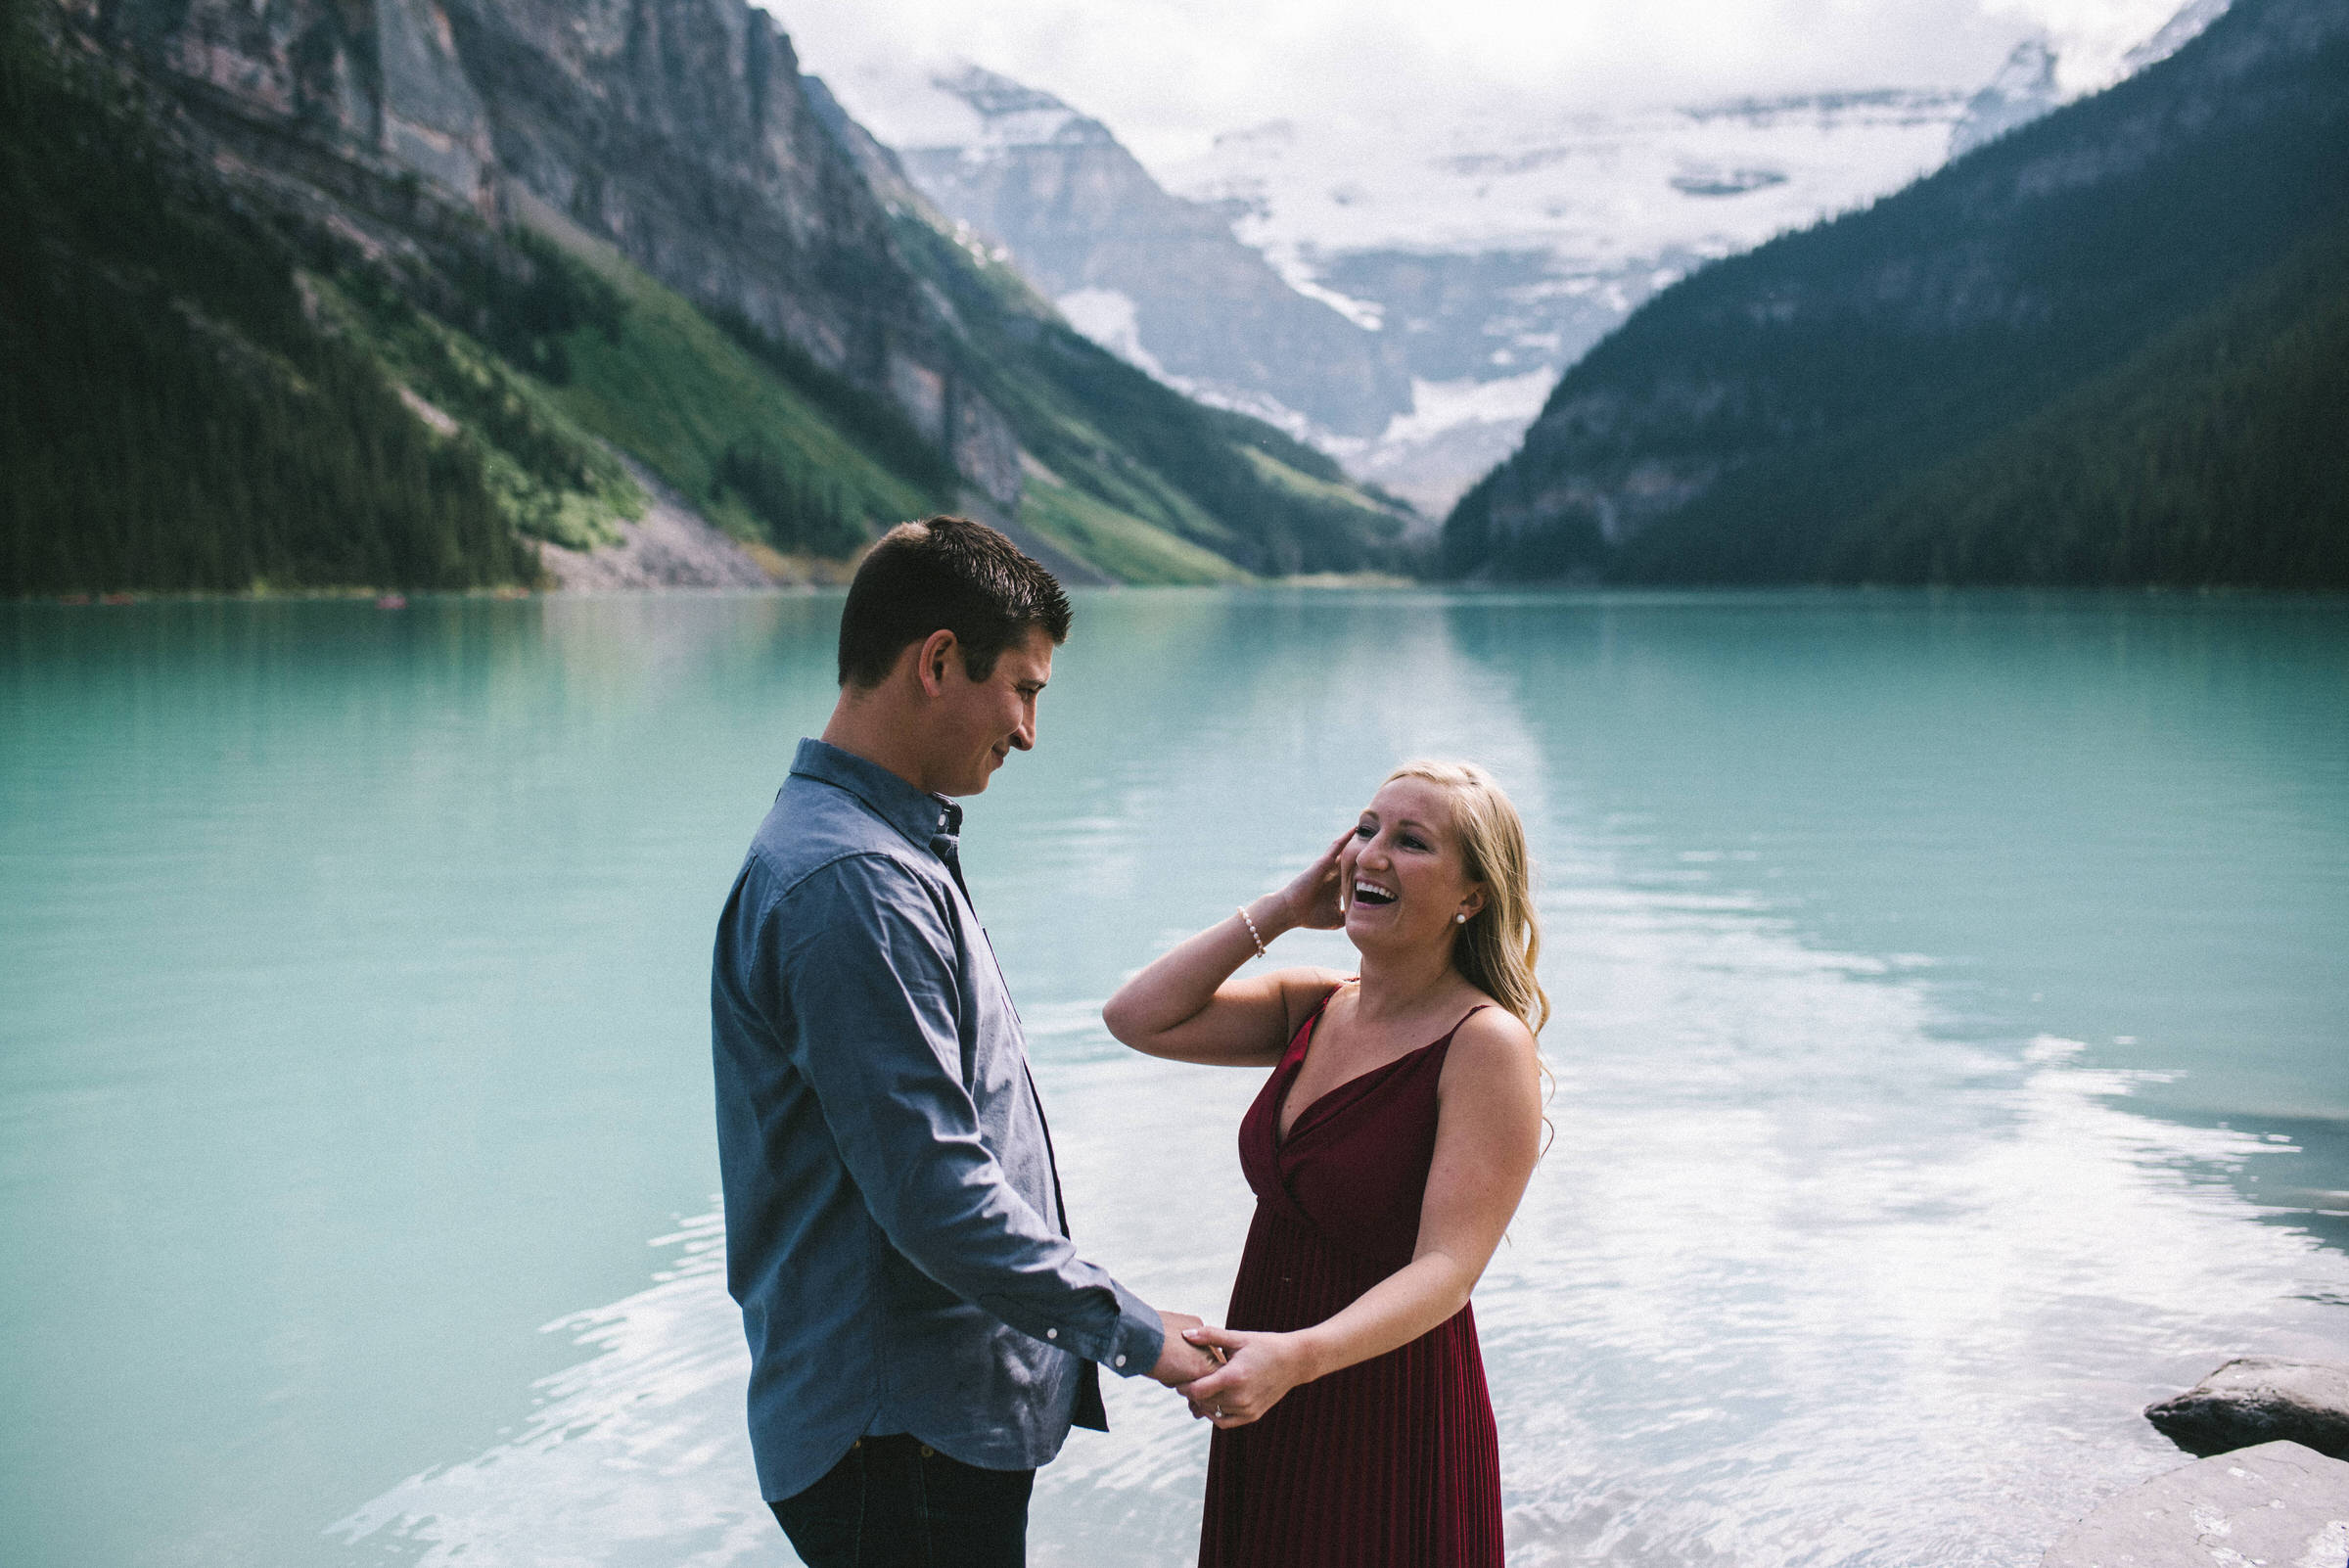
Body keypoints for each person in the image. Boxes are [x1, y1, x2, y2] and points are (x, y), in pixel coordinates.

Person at [711, 516, 1219, 1568]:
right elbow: (934, 1190)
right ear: (939, 661)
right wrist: (1139, 1336)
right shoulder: (851, 884)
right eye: (1024, 690)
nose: (1030, 730)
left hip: (918, 1425)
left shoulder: (880, 848)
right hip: (902, 1436)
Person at [1102, 761, 1548, 1568]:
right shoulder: (1316, 1005)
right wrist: (1280, 910)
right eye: (1367, 829)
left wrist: (1300, 1356)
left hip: (1386, 1399)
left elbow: (1449, 1268)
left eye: (1411, 842)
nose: (1372, 853)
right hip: (1271, 1389)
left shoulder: (1485, 1044)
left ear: (1471, 896)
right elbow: (1135, 1017)